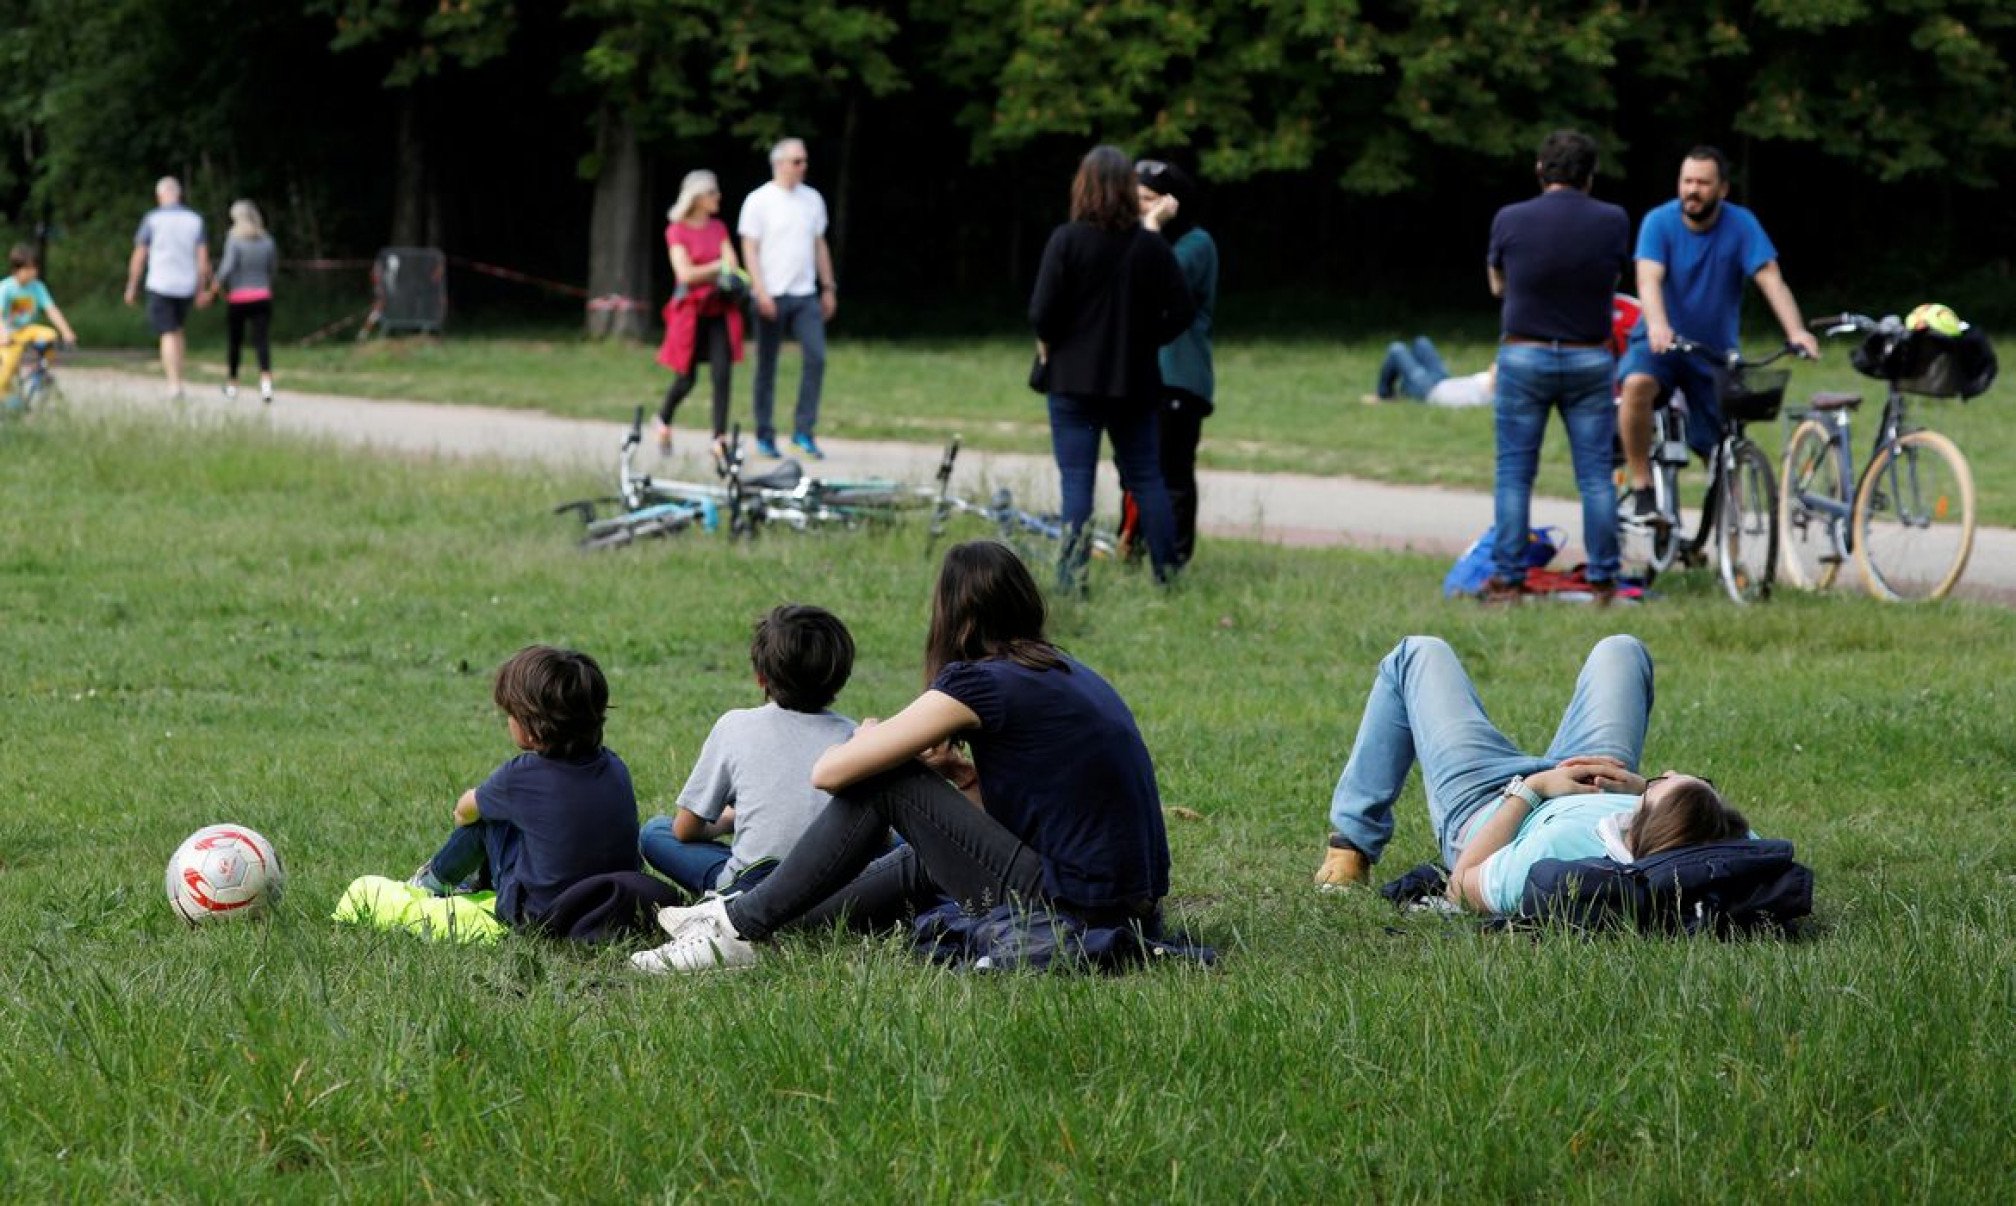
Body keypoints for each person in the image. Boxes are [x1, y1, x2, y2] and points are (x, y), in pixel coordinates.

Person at [631, 540, 1173, 974]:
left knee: (884, 780)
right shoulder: (1063, 670)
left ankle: (737, 924)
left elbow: (831, 772)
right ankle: (750, 925)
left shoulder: (979, 682)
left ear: (951, 614)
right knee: (919, 854)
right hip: (1123, 904)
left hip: (1064, 908)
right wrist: (963, 777)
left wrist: (867, 740)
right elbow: (1038, 808)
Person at [1312, 635, 1752, 914]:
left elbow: (1461, 890)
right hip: (1596, 777)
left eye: (1662, 780)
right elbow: (1740, 837)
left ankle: (1350, 848)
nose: (1667, 771)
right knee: (1623, 650)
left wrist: (1533, 788)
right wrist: (1640, 788)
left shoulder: (1556, 850)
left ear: (1644, 822)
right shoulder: (1715, 842)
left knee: (1418, 654)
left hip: (1495, 801)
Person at [333, 646, 640, 942]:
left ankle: (431, 882)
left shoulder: (521, 775)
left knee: (487, 818)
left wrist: (470, 808)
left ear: (531, 728)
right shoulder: (615, 766)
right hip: (610, 902)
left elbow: (465, 810)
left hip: (536, 916)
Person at [1618, 146, 1820, 520]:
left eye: (1702, 183)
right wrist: (1659, 324)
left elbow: (1770, 279)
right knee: (1636, 385)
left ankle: (1732, 557)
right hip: (1661, 343)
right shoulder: (1658, 222)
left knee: (1726, 448)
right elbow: (1648, 278)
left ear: (1722, 189)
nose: (1692, 190)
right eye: (1687, 181)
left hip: (1714, 353)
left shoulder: (1741, 224)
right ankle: (1643, 487)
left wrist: (1797, 331)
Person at [1029, 146, 1195, 589]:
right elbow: (1181, 311)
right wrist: (1146, 340)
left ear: (1082, 186)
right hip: (1134, 381)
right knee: (1146, 478)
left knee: (1077, 481)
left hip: (1072, 381)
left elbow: (1042, 313)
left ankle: (1071, 579)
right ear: (1126, 189)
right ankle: (1167, 574)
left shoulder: (1067, 240)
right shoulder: (1150, 247)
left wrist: (1055, 345)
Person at [1483, 129, 1633, 606]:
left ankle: (1508, 579)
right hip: (1589, 355)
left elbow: (1497, 285)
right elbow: (1614, 277)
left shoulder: (1510, 218)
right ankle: (1605, 578)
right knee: (1594, 474)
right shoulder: (1613, 220)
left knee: (1514, 471)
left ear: (1540, 170)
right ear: (1589, 176)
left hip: (1523, 353)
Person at [638, 604, 856, 897]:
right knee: (903, 846)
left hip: (751, 886)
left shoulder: (735, 726)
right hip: (841, 885)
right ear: (841, 676)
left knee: (655, 833)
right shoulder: (856, 737)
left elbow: (684, 830)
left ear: (761, 677)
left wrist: (728, 820)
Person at [1128, 159, 1218, 568]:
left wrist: (1151, 229)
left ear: (1170, 203)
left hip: (1179, 377)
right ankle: (1131, 547)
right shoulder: (1140, 238)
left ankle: (1174, 560)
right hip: (1142, 372)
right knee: (1137, 469)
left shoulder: (1195, 244)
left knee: (1173, 472)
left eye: (1147, 200)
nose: (1138, 208)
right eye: (1134, 199)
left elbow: (1161, 280)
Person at [738, 137, 835, 460]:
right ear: (779, 164)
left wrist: (828, 286)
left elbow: (819, 245)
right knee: (767, 365)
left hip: (804, 293)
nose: (803, 166)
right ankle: (765, 434)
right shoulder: (759, 200)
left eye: (804, 160)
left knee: (816, 357)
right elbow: (749, 248)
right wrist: (759, 289)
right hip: (771, 294)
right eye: (797, 161)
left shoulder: (812, 200)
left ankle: (803, 431)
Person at [653, 169, 746, 456]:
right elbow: (685, 274)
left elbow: (733, 265)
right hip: (690, 314)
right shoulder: (676, 230)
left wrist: (714, 270)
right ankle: (663, 419)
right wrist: (717, 267)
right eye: (712, 193)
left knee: (722, 373)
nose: (718, 197)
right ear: (696, 198)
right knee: (686, 377)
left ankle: (718, 438)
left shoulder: (718, 228)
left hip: (718, 308)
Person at [124, 177, 210, 399]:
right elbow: (202, 259)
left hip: (160, 283)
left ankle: (174, 384)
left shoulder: (152, 220)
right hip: (186, 283)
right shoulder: (195, 220)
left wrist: (132, 285)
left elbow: (140, 254)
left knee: (168, 333)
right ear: (179, 194)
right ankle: (179, 377)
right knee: (178, 330)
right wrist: (202, 288)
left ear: (160, 195)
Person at [203, 200, 277, 403]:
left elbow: (227, 267)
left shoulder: (234, 240)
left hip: (238, 297)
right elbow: (272, 269)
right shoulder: (267, 241)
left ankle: (233, 384)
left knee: (235, 342)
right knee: (261, 341)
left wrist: (212, 290)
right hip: (262, 295)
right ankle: (266, 385)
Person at [0, 245, 78, 403]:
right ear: (16, 270)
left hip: (27, 329)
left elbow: (51, 310)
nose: (33, 272)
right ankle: (6, 400)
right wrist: (2, 334)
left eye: (34, 268)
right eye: (28, 269)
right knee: (6, 372)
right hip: (8, 332)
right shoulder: (6, 288)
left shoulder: (37, 287)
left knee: (49, 335)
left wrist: (66, 331)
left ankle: (41, 372)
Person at [1369, 337, 1494, 407]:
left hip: (1430, 392)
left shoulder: (1504, 394)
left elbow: (1493, 378)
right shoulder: (1506, 375)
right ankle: (1407, 387)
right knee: (1422, 343)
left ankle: (1384, 396)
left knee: (1396, 349)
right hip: (1444, 381)